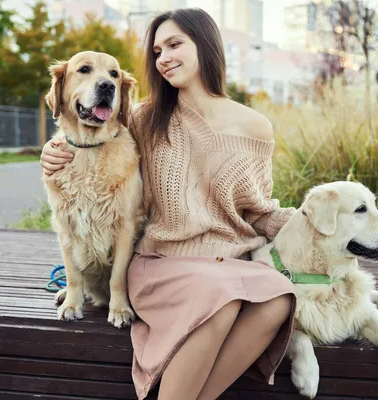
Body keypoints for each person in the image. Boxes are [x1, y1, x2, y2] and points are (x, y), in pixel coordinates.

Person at [40, 8, 297, 400]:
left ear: (206, 46)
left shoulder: (255, 126)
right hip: (162, 262)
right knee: (222, 299)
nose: (163, 58)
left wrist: (311, 226)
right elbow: (85, 136)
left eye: (175, 45)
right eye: (157, 51)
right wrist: (50, 151)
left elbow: (259, 210)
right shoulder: (144, 118)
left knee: (279, 298)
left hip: (226, 262)